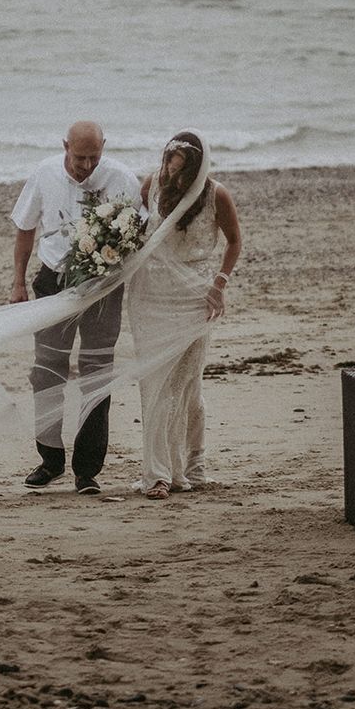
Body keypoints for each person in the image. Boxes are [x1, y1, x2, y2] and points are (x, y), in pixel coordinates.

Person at [10, 120, 141, 493]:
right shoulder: (44, 173)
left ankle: (87, 470)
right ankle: (49, 461)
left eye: (94, 158)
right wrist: (19, 281)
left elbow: (138, 234)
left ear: (104, 148)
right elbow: (25, 227)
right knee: (47, 369)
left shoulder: (121, 179)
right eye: (80, 157)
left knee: (97, 371)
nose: (86, 166)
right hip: (53, 279)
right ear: (65, 145)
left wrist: (111, 267)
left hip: (104, 286)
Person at [127, 131, 242, 500]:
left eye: (178, 170)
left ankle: (193, 464)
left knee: (187, 387)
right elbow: (134, 231)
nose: (169, 175)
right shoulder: (151, 186)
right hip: (149, 296)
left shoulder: (215, 195)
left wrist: (219, 284)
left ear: (194, 169)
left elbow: (235, 241)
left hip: (193, 297)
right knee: (154, 386)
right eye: (167, 165)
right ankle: (159, 474)